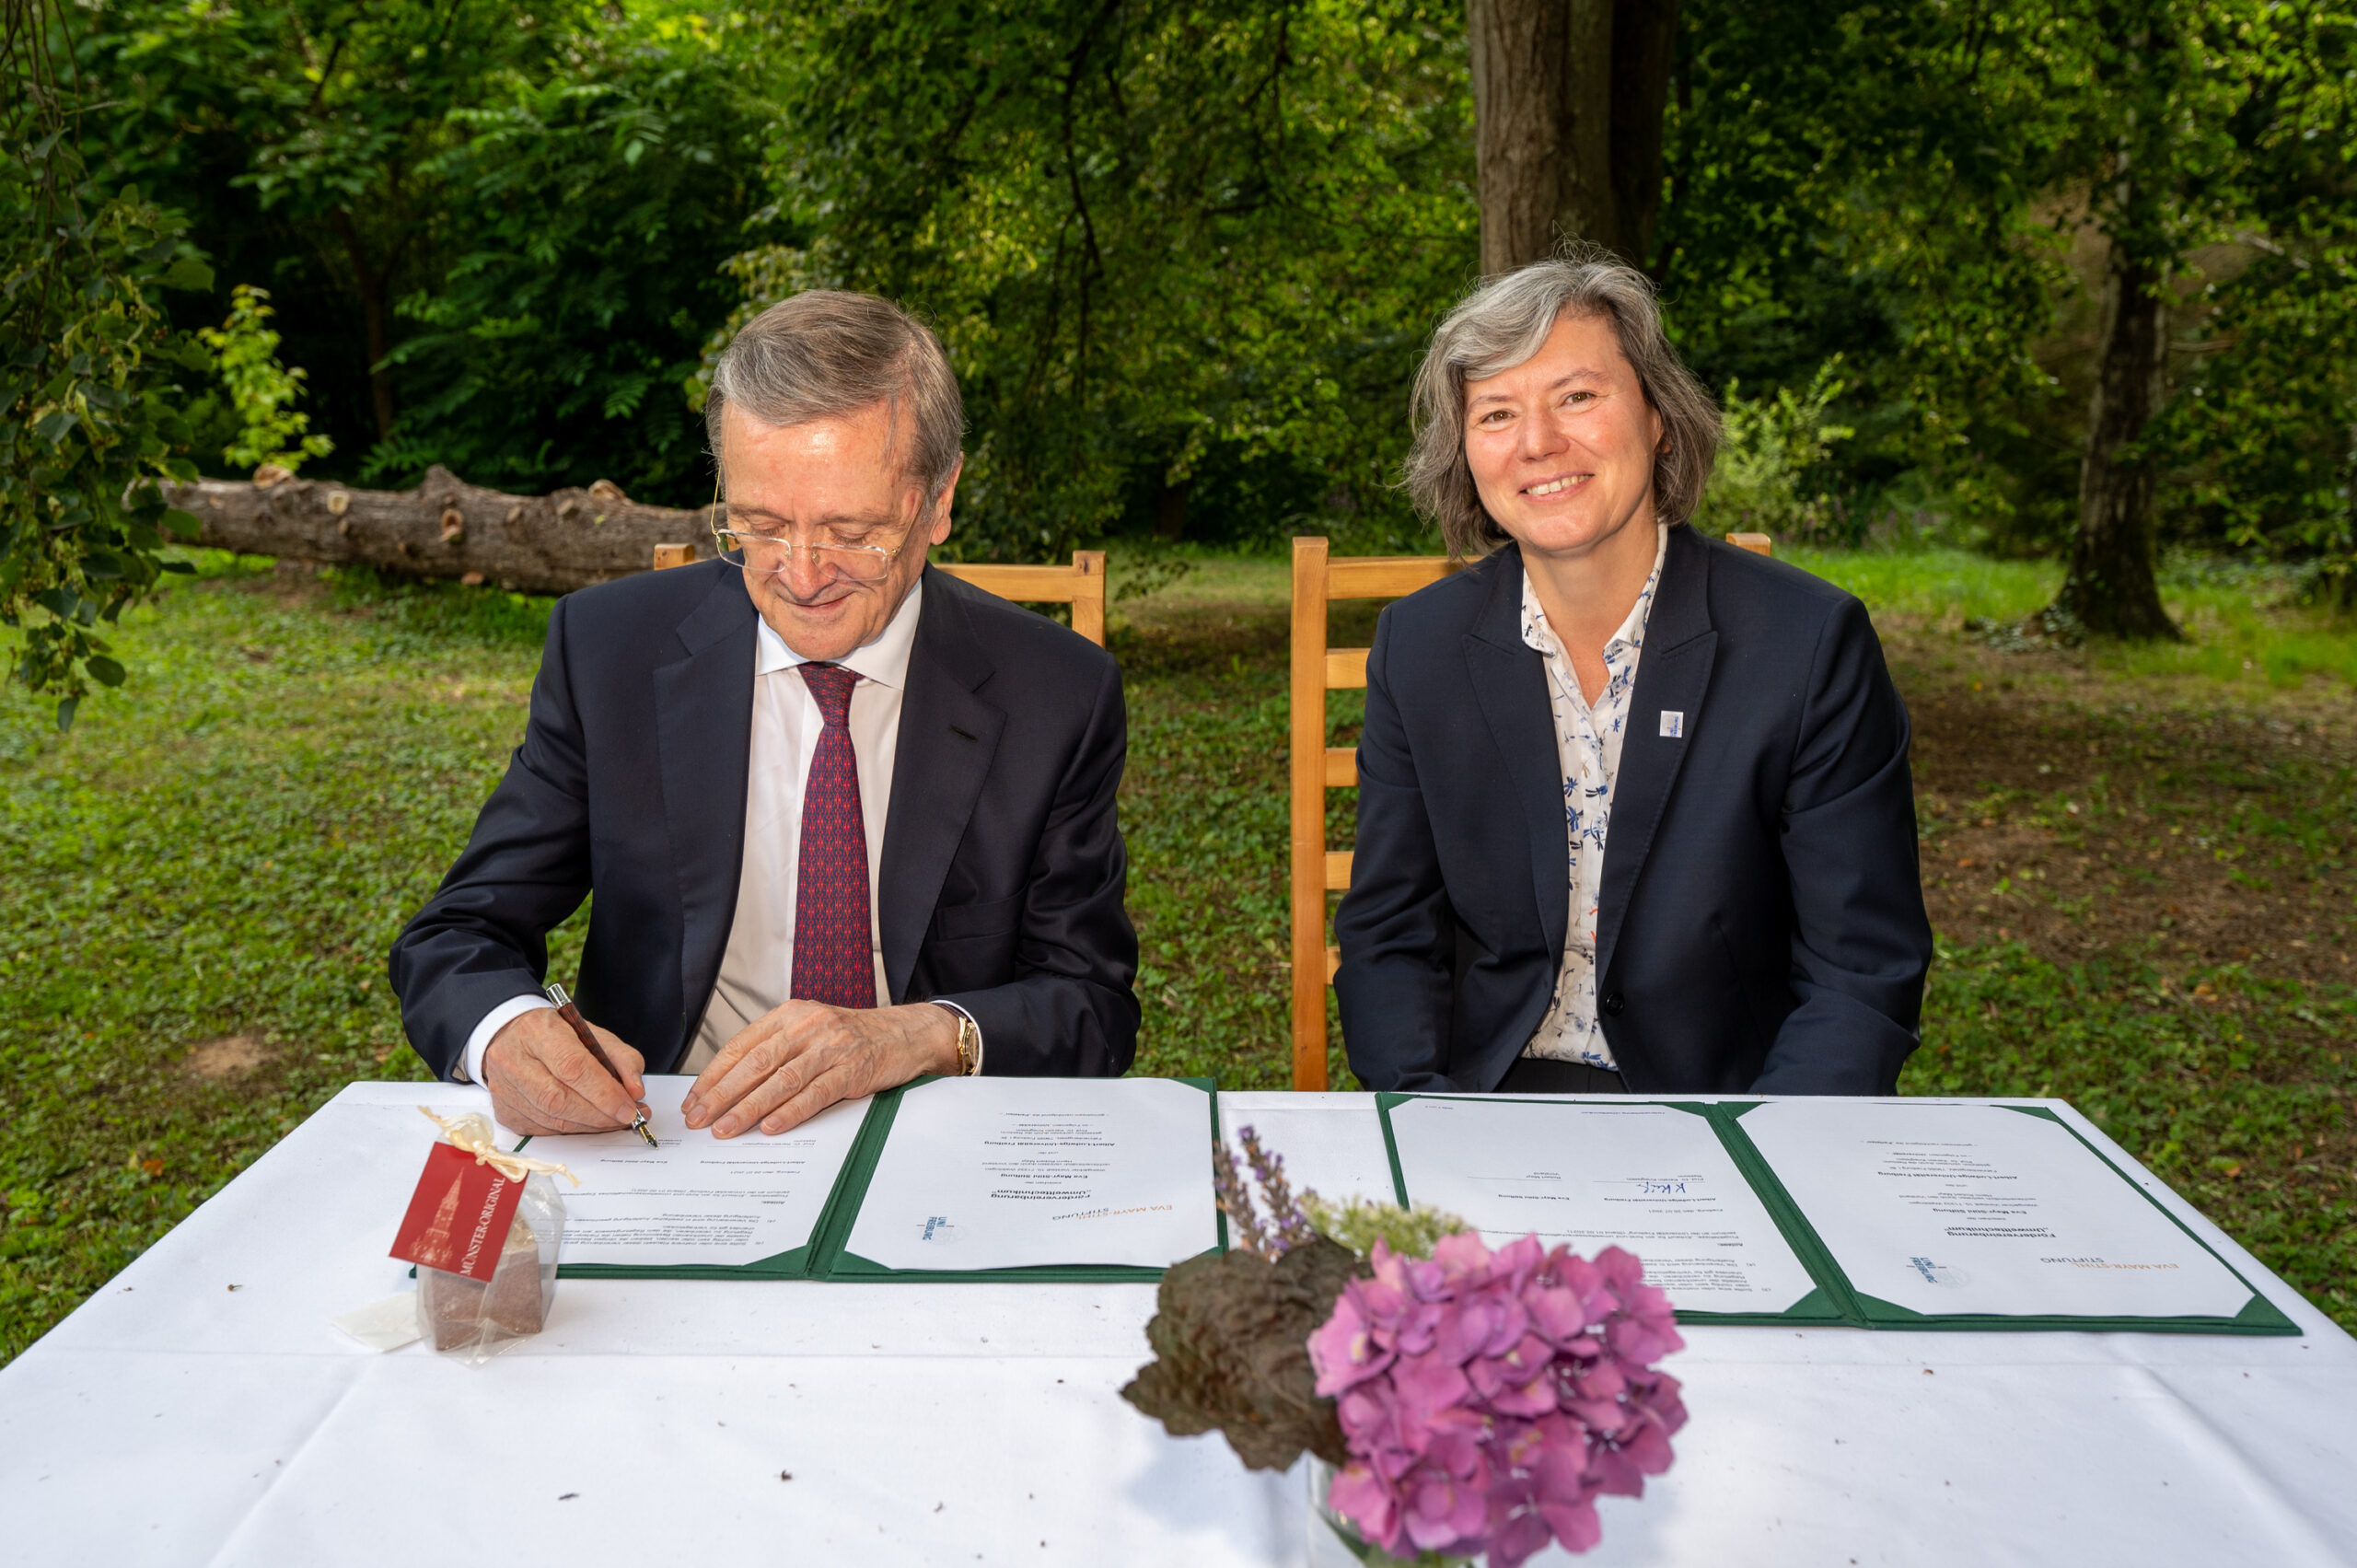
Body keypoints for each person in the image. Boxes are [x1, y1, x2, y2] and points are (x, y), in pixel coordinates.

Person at [390, 290, 1139, 1137]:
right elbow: (459, 931)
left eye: (853, 531)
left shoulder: (1056, 694)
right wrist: (503, 1035)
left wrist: (916, 1035)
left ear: (938, 500)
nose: (802, 573)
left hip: (937, 1135)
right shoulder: (610, 653)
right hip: (670, 1129)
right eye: (760, 524)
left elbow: (1090, 1007)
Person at [1334, 256, 1931, 1096]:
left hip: (1732, 1107)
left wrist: (1762, 1158)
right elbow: (1389, 939)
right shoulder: (1417, 646)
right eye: (1498, 412)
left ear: (1658, 416)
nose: (1538, 442)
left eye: (1577, 396)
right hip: (1487, 1103)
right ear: (1464, 454)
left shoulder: (1809, 644)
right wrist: (1430, 1120)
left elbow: (1860, 973)